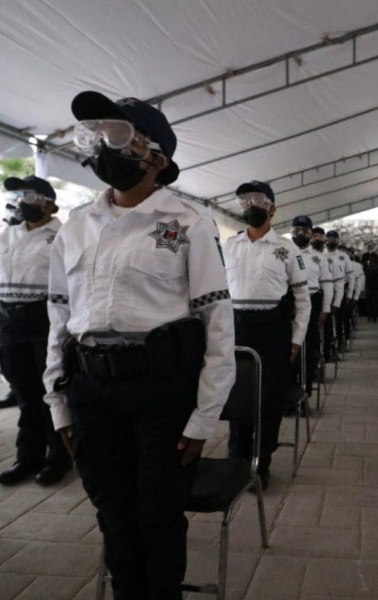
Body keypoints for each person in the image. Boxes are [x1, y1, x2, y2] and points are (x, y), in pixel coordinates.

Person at [44, 91, 235, 599]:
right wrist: (59, 403)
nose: (104, 146)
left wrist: (204, 417)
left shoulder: (187, 224)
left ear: (158, 157)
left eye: (119, 135)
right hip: (91, 391)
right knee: (113, 514)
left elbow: (217, 321)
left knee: (158, 515)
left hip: (161, 393)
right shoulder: (76, 227)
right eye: (97, 135)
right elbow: (59, 320)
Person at [223, 181, 310, 489]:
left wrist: (296, 339)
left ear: (273, 208)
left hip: (272, 328)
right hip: (236, 326)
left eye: (258, 200)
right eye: (244, 200)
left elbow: (302, 299)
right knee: (237, 395)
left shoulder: (286, 248)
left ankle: (261, 464)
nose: (251, 206)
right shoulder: (230, 246)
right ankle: (237, 459)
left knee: (268, 398)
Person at [0, 175, 71, 486]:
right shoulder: (4, 236)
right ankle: (28, 457)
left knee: (52, 392)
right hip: (10, 324)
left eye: (29, 196)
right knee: (25, 394)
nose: (22, 202)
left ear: (48, 203)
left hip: (45, 320)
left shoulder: (63, 236)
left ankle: (59, 458)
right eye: (20, 196)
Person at [291, 216, 332, 396]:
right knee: (288, 344)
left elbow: (328, 284)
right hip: (289, 301)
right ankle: (288, 387)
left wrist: (325, 309)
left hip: (312, 300)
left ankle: (306, 386)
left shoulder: (318, 257)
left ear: (311, 234)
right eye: (296, 230)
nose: (300, 234)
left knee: (308, 344)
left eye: (305, 231)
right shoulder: (284, 251)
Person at [311, 226, 345, 360]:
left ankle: (325, 353)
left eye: (320, 236)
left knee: (324, 329)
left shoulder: (334, 259)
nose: (317, 239)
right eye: (314, 236)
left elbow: (337, 283)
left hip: (322, 297)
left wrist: (335, 303)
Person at [326, 231, 354, 350]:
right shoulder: (320, 254)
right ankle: (327, 345)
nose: (332, 241)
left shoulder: (343, 256)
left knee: (340, 319)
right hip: (324, 291)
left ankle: (341, 343)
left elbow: (351, 276)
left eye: (334, 239)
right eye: (329, 238)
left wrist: (349, 294)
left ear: (338, 240)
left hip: (340, 290)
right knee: (325, 321)